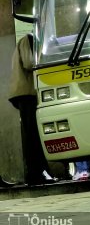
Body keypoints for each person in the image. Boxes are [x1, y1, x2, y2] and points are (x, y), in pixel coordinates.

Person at [9, 34, 57, 185]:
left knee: (32, 135)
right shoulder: (28, 39)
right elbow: (29, 63)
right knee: (33, 135)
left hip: (25, 94)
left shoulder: (28, 40)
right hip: (27, 93)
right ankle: (36, 173)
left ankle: (38, 172)